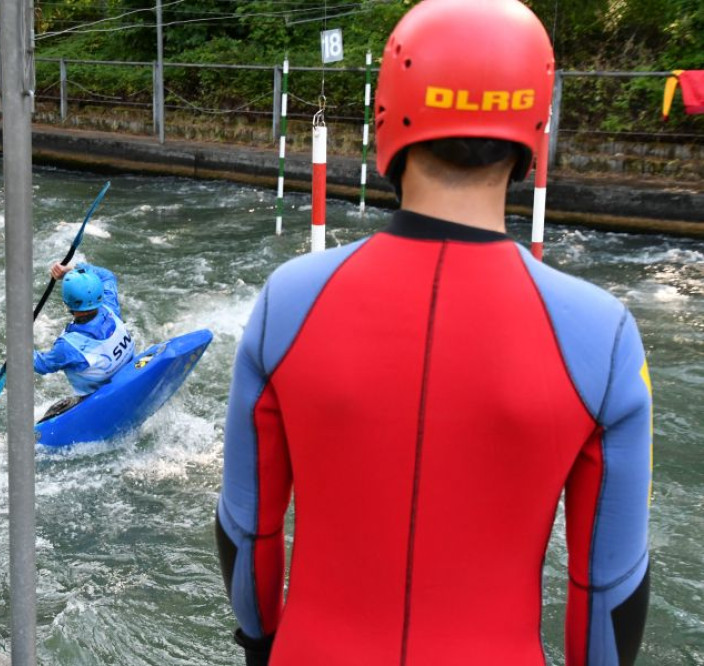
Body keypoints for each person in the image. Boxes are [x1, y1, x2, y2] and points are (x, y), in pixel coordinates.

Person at [215, 1, 652, 665]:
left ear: (387, 117)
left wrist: (259, 642)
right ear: (533, 131)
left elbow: (246, 531)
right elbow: (609, 590)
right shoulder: (602, 334)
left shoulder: (290, 300)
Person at [34, 261, 134, 418]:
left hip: (97, 403)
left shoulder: (68, 346)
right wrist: (71, 270)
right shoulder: (109, 305)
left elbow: (41, 365)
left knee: (50, 414)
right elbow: (107, 276)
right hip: (129, 380)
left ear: (67, 303)